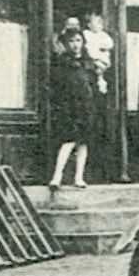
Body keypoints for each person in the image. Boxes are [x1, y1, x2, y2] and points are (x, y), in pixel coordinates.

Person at [47, 24, 99, 191]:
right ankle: (57, 176)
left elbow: (93, 85)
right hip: (69, 107)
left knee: (83, 143)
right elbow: (57, 86)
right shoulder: (62, 63)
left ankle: (79, 177)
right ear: (66, 44)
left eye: (78, 40)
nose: (76, 44)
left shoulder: (88, 64)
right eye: (72, 41)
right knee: (68, 141)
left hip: (86, 107)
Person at [82, 12, 114, 96]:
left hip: (101, 58)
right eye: (97, 22)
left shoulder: (103, 35)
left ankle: (102, 85)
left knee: (100, 72)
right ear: (89, 24)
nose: (100, 25)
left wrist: (101, 45)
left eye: (101, 23)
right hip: (92, 59)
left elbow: (109, 44)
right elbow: (86, 45)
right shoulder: (86, 34)